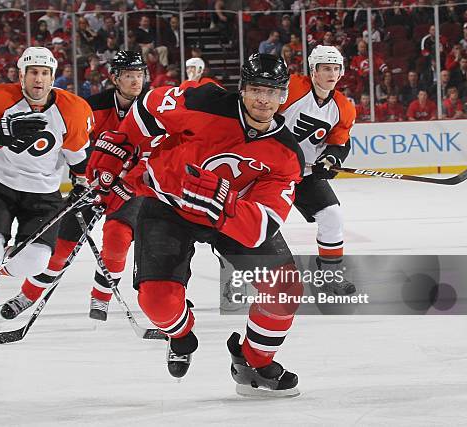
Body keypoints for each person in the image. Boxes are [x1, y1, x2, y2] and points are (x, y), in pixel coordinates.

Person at [86, 53, 305, 396]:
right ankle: (181, 334)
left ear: (284, 95)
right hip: (167, 206)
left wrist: (223, 202)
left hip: (228, 219)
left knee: (285, 288)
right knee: (157, 304)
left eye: (273, 91)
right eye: (256, 89)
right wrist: (123, 142)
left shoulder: (287, 154)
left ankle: (254, 361)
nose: (263, 99)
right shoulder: (203, 100)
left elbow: (262, 226)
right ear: (242, 89)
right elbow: (148, 108)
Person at [0, 47, 94, 339]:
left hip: (43, 193)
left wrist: (81, 183)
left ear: (53, 77)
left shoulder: (74, 109)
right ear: (21, 75)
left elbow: (78, 155)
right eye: (33, 72)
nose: (38, 79)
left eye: (44, 73)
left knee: (34, 262)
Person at [0, 51, 149, 322]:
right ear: (115, 78)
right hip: (92, 185)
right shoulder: (90, 107)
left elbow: (156, 153)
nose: (136, 81)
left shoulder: (151, 108)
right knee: (62, 245)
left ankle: (100, 297)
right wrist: (84, 177)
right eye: (129, 75)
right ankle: (28, 295)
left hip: (129, 189)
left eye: (139, 75)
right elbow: (73, 145)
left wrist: (128, 183)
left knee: (117, 240)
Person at [278, 45, 357, 295]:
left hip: (305, 175)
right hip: (269, 172)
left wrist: (331, 159)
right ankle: (245, 277)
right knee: (258, 225)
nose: (332, 74)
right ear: (313, 70)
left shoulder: (343, 107)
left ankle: (331, 275)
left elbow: (339, 142)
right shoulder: (291, 88)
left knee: (332, 215)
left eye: (336, 68)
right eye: (326, 68)